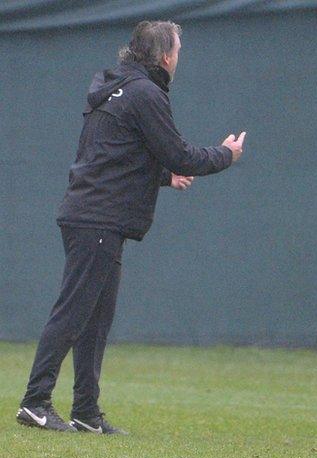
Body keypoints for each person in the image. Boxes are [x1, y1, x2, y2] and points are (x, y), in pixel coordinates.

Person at [16, 21, 245, 434]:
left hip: (92, 215)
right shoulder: (145, 93)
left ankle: (86, 411)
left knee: (95, 319)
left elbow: (113, 155)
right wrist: (225, 155)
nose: (178, 59)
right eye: (176, 51)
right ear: (164, 57)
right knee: (73, 313)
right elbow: (179, 153)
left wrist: (161, 177)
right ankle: (35, 402)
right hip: (98, 218)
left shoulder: (115, 87)